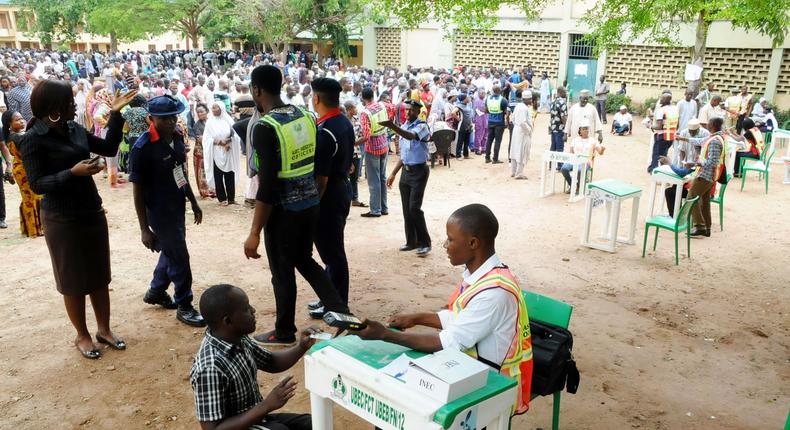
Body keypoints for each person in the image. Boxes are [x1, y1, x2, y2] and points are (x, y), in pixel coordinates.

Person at [351, 204, 533, 416]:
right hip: (469, 367)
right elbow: (461, 318)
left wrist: (384, 335)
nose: (445, 244)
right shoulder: (483, 275)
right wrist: (417, 318)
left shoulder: (494, 292)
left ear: (473, 243)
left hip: (490, 386)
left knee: (405, 404)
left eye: (451, 239)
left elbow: (449, 342)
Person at [21, 81, 137, 359]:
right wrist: (72, 173)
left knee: (99, 273)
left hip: (90, 209)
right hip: (61, 216)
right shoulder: (33, 139)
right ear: (53, 109)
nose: (75, 105)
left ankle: (104, 330)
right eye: (69, 102)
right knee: (72, 278)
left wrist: (117, 113)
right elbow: (37, 184)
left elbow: (109, 148)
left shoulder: (74, 129)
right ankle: (82, 335)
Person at [243, 65, 350, 346]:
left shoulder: (266, 128)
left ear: (256, 90)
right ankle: (342, 312)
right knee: (305, 260)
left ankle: (283, 330)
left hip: (282, 212)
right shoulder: (306, 115)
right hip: (310, 204)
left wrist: (255, 231)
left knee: (282, 272)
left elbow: (266, 187)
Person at [190, 284, 317, 430]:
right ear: (228, 321)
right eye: (246, 309)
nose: (253, 311)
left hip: (256, 418)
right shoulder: (210, 367)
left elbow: (271, 362)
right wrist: (267, 405)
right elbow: (212, 429)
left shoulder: (238, 338)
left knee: (312, 424)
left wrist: (301, 347)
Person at [130, 95, 205, 328]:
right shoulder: (142, 147)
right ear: (151, 119)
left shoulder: (178, 137)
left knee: (172, 251)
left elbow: (180, 171)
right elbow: (137, 191)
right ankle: (184, 305)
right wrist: (144, 229)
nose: (171, 122)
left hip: (177, 206)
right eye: (164, 119)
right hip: (159, 212)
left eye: (173, 116)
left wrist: (192, 200)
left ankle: (156, 291)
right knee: (180, 256)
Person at [308, 77, 355, 317]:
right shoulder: (344, 122)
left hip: (329, 196)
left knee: (332, 252)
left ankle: (338, 304)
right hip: (342, 188)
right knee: (331, 250)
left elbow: (321, 180)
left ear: (316, 98)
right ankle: (328, 297)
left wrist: (313, 206)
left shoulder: (325, 131)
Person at [380, 99, 432, 256]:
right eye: (407, 110)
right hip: (406, 172)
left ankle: (425, 243)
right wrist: (394, 173)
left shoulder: (422, 126)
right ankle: (411, 242)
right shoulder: (403, 126)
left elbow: (411, 137)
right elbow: (404, 155)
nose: (408, 113)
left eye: (411, 110)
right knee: (406, 210)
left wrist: (392, 126)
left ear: (418, 112)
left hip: (419, 172)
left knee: (414, 208)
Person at [2, 110, 43, 236]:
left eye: (22, 118)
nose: (22, 120)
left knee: (29, 197)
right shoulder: (18, 137)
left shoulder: (15, 135)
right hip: (24, 170)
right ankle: (34, 229)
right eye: (17, 120)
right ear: (10, 124)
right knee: (31, 197)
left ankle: (32, 228)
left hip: (21, 168)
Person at [687, 117, 726, 237]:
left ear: (713, 125)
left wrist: (697, 163)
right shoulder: (717, 137)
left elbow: (712, 162)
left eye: (709, 123)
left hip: (706, 175)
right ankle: (707, 227)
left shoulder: (714, 140)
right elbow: (699, 141)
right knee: (705, 201)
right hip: (711, 176)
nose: (707, 125)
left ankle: (699, 226)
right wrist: (683, 138)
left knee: (691, 196)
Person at [203, 101, 242, 206]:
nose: (213, 109)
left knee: (230, 173)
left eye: (216, 108)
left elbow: (236, 135)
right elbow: (206, 138)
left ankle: (231, 198)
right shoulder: (210, 122)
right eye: (213, 108)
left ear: (221, 109)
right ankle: (222, 199)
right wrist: (220, 142)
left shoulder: (228, 121)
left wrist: (229, 141)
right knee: (218, 175)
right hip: (216, 151)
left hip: (228, 150)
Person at [359, 87, 390, 217]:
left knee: (374, 180)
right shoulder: (382, 106)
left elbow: (366, 136)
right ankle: (384, 208)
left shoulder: (365, 113)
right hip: (384, 143)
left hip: (373, 148)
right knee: (382, 177)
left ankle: (375, 210)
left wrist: (353, 142)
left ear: (362, 98)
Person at [561, 120, 605, 189]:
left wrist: (602, 149)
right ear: (580, 131)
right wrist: (571, 158)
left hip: (586, 161)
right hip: (574, 160)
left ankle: (579, 185)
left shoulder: (593, 140)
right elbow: (571, 153)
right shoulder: (575, 140)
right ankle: (572, 185)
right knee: (564, 168)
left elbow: (600, 152)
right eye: (583, 129)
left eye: (587, 129)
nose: (586, 131)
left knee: (579, 170)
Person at [648, 91, 679, 173]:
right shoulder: (675, 109)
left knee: (657, 155)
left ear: (665, 100)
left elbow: (659, 126)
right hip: (671, 136)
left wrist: (650, 126)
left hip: (661, 136)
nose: (660, 99)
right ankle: (656, 169)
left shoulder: (661, 110)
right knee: (664, 154)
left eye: (662, 98)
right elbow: (677, 124)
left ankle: (656, 172)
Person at [191, 103, 216, 199]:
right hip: (200, 152)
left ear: (207, 111)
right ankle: (205, 192)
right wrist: (215, 141)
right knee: (202, 172)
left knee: (212, 170)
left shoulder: (212, 122)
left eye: (202, 111)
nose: (200, 114)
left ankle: (213, 190)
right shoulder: (197, 125)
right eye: (198, 112)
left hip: (211, 150)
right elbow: (200, 139)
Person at [509, 91, 533, 180]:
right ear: (527, 99)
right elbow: (523, 122)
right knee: (521, 152)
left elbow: (513, 119)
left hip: (516, 130)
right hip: (523, 132)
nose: (531, 101)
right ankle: (519, 173)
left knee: (515, 151)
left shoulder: (518, 106)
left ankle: (513, 171)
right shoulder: (524, 108)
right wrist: (529, 130)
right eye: (530, 99)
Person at [484, 85, 509, 164]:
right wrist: (506, 120)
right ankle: (495, 159)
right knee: (497, 141)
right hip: (499, 122)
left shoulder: (487, 99)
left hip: (490, 121)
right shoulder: (503, 100)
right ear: (500, 90)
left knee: (489, 140)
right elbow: (506, 112)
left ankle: (487, 158)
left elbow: (485, 111)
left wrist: (492, 113)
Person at [452, 93, 473, 159]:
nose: (468, 98)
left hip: (468, 125)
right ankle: (458, 155)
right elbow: (453, 113)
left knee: (467, 141)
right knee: (460, 141)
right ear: (464, 99)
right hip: (462, 125)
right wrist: (458, 119)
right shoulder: (459, 106)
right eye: (467, 97)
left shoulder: (468, 105)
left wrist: (471, 123)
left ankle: (466, 155)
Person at [549, 87, 568, 153]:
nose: (566, 93)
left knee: (553, 149)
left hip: (553, 129)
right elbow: (563, 118)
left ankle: (550, 163)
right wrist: (567, 129)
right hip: (560, 130)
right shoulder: (563, 103)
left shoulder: (553, 102)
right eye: (565, 92)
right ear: (560, 93)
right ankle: (560, 164)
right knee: (560, 151)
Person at [472, 88, 488, 155]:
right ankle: (477, 148)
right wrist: (473, 119)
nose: (483, 94)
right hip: (479, 118)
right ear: (478, 94)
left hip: (486, 118)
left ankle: (484, 148)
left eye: (484, 93)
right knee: (478, 134)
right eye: (482, 93)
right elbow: (474, 110)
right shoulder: (476, 101)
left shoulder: (486, 100)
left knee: (485, 134)